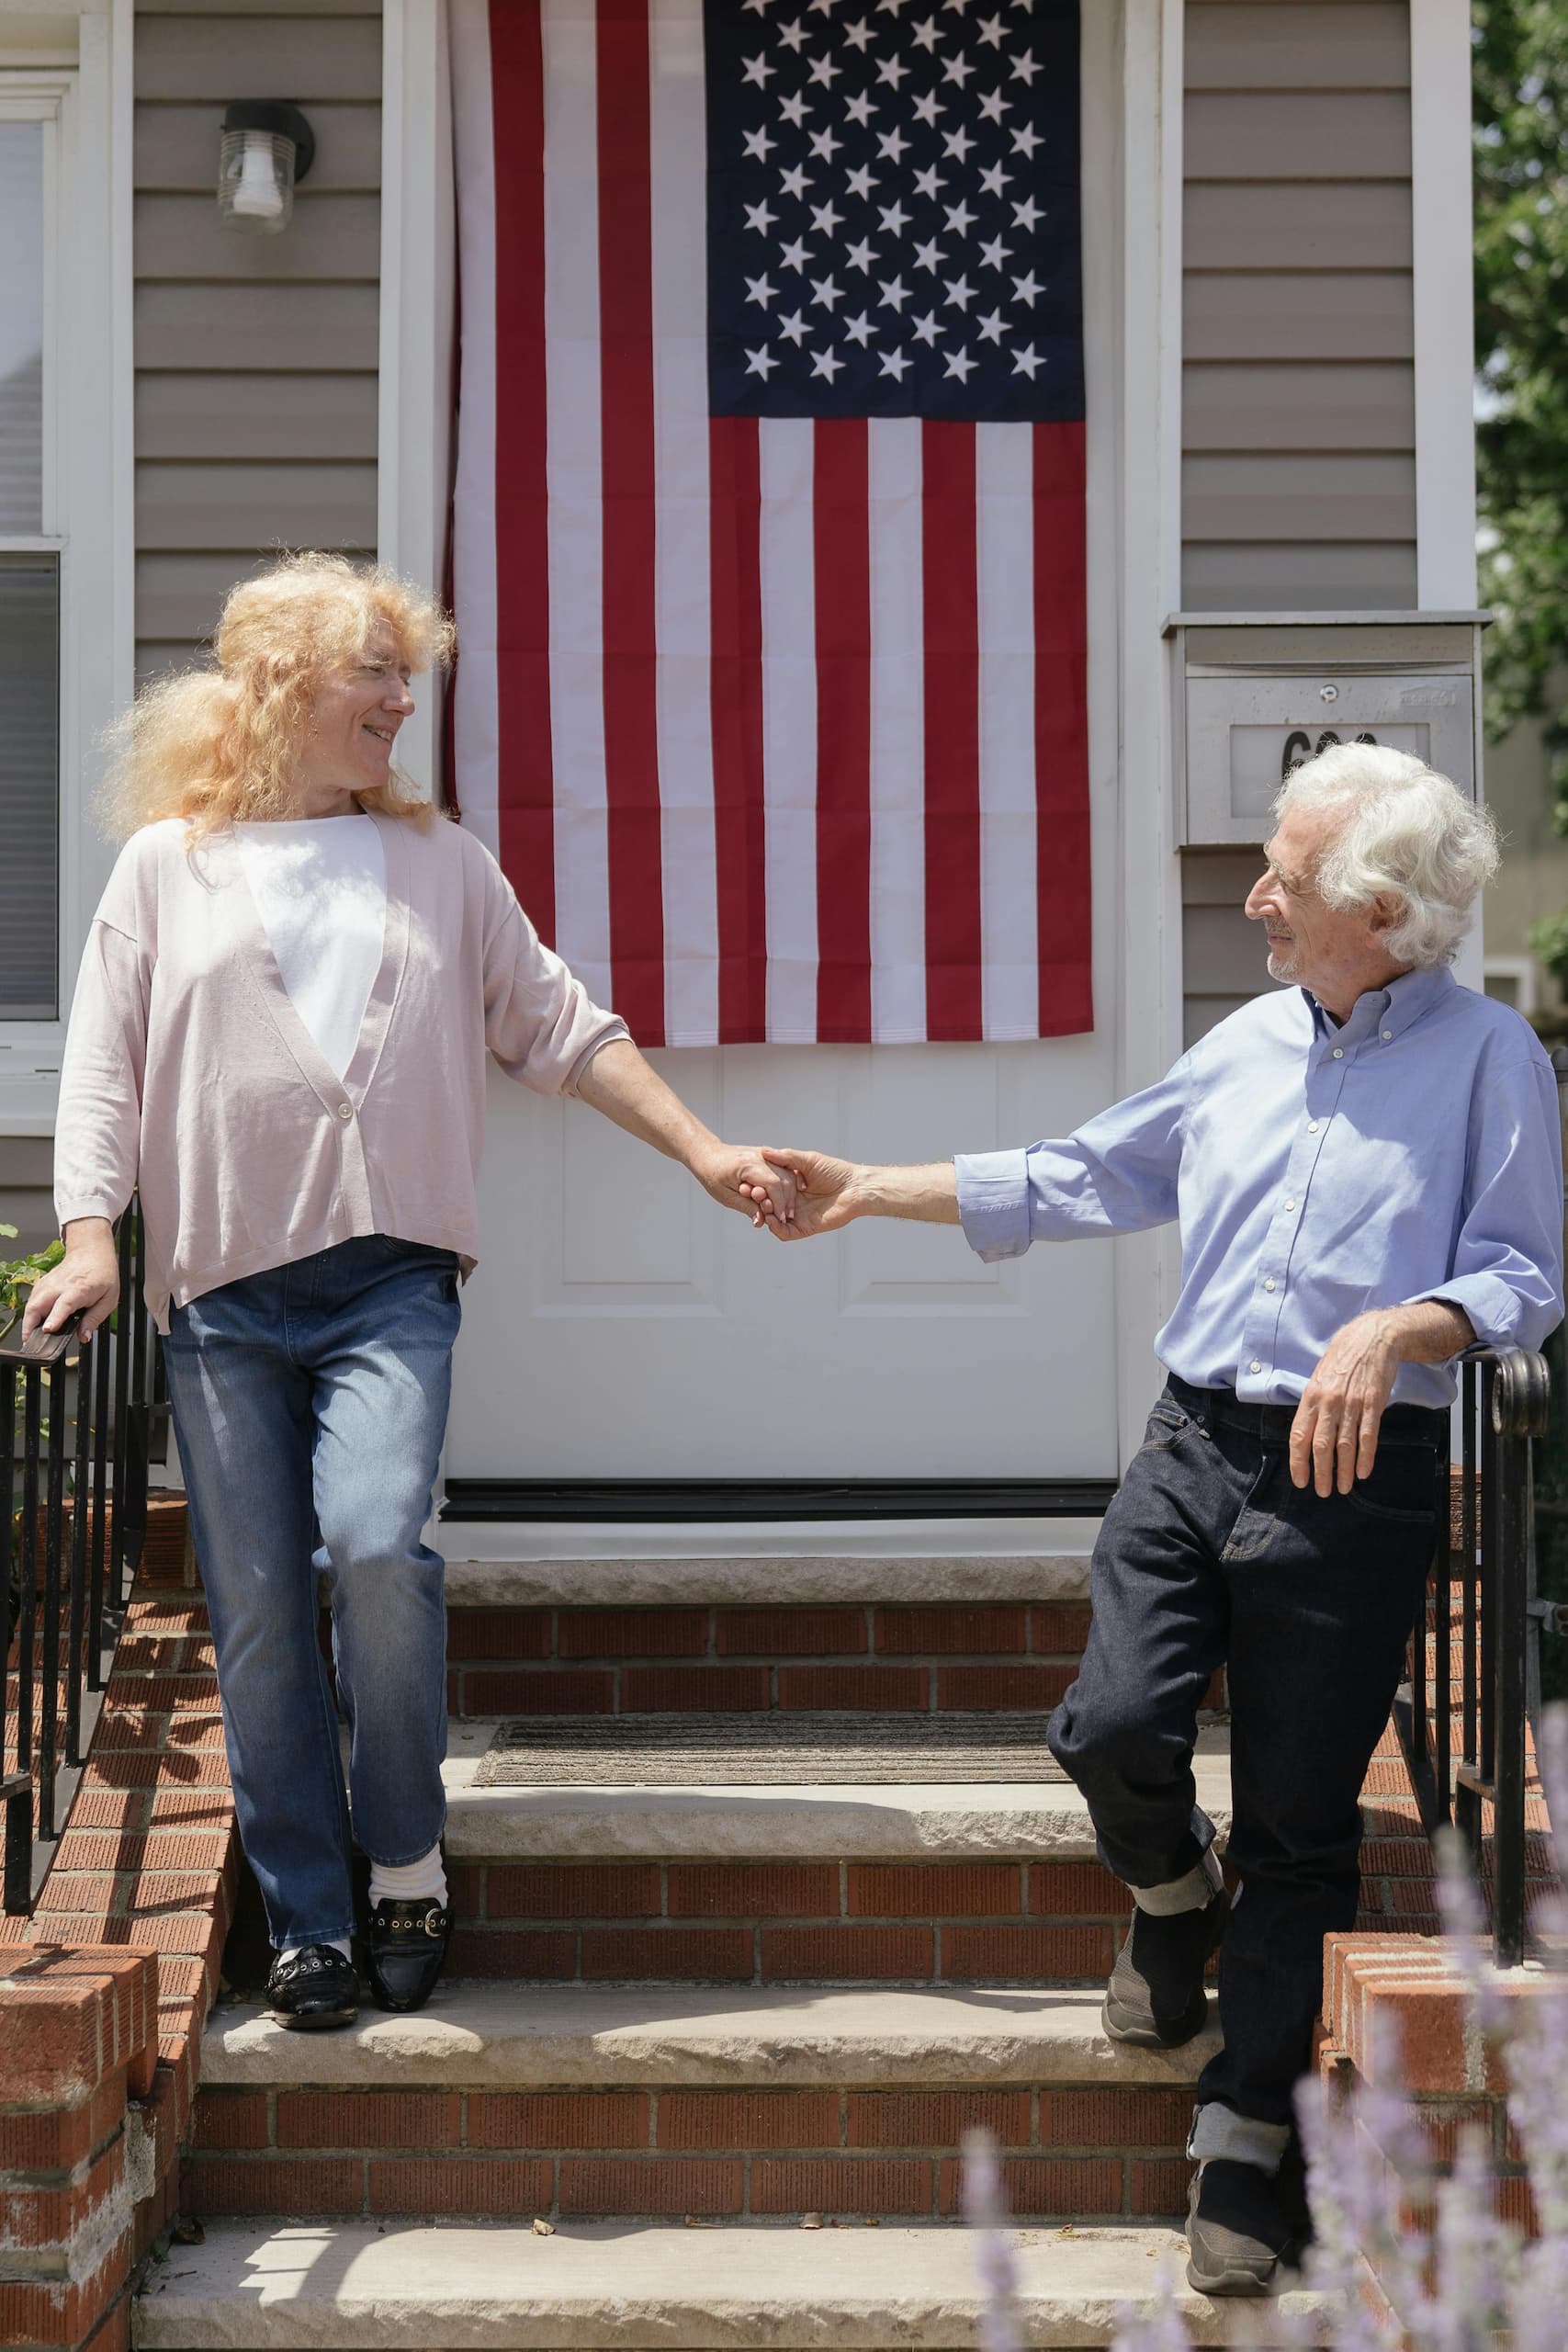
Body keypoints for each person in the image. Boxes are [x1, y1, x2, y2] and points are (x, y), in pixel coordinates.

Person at [748, 744, 1563, 2298]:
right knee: (1113, 1720)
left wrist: (1404, 1327)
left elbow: (1526, 1274)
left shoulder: (1488, 1060)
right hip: (1193, 1442)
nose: (1254, 892)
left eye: (1285, 874)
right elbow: (1080, 1174)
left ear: (1376, 909)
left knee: (1305, 1830)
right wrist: (867, 1187)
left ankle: (1247, 2135)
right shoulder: (1248, 1039)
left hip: (1355, 1471)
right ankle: (1171, 1891)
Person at [25, 553, 795, 2031]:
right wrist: (90, 1235)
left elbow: (565, 1030)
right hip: (224, 1295)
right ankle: (308, 1916)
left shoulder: (440, 864)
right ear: (277, 689)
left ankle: (405, 1859)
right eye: (372, 671)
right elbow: (103, 1066)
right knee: (255, 1609)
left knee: (378, 1551)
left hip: (390, 1282)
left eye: (404, 669)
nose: (400, 698)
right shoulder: (164, 866)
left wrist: (703, 1151)